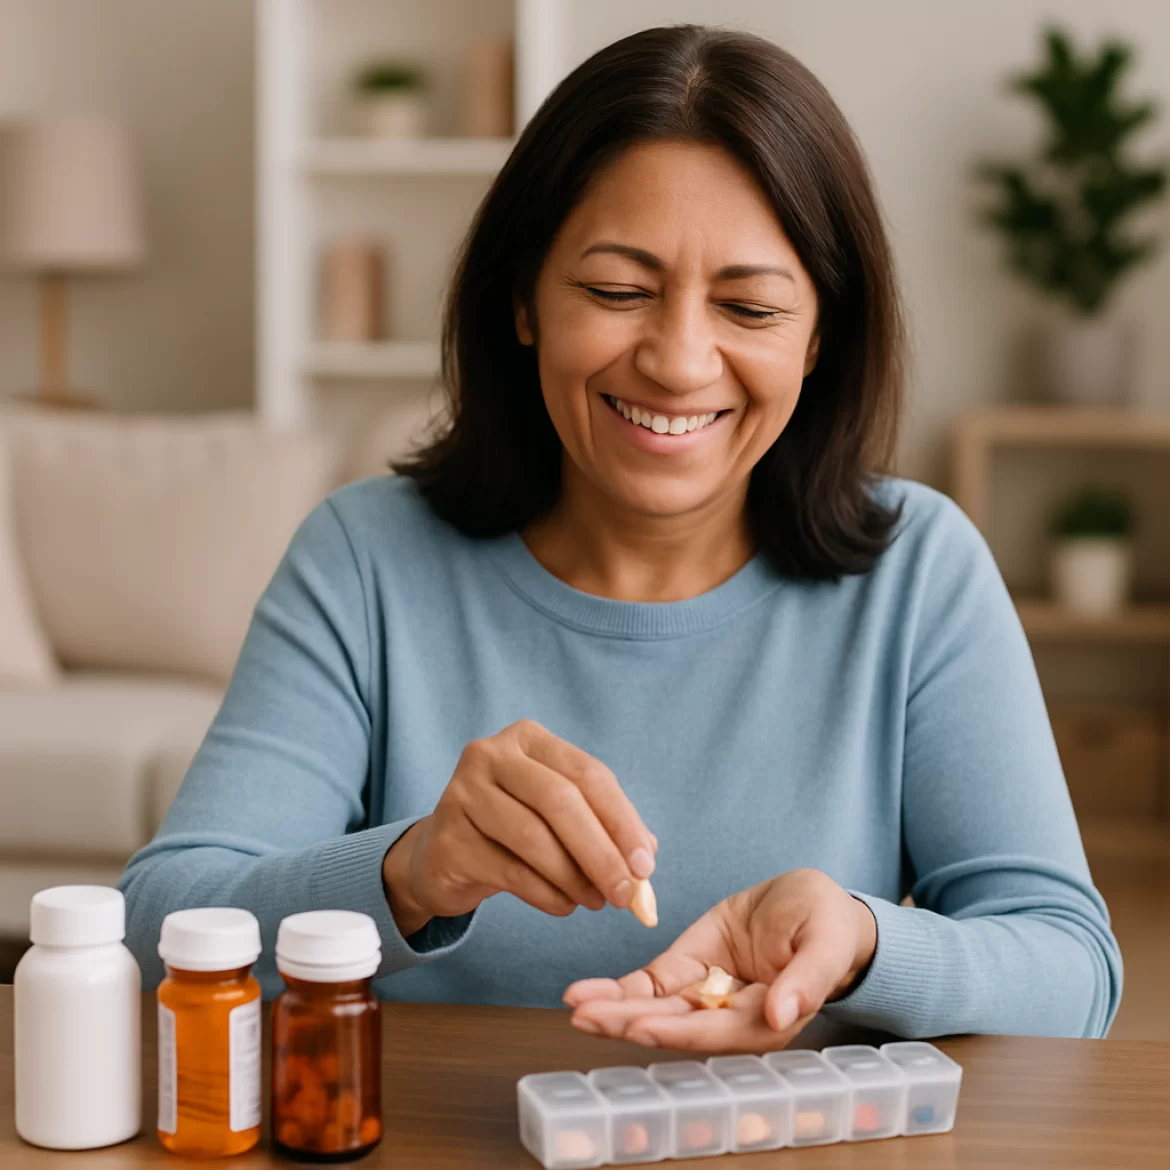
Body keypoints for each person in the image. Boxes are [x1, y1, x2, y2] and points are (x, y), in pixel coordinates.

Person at [119, 24, 1121, 1052]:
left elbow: (1074, 973)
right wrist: (411, 871)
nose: (681, 362)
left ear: (821, 336)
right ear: (524, 300)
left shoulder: (919, 571)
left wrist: (867, 942)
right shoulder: (364, 559)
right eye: (616, 290)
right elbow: (157, 926)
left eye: (749, 306)